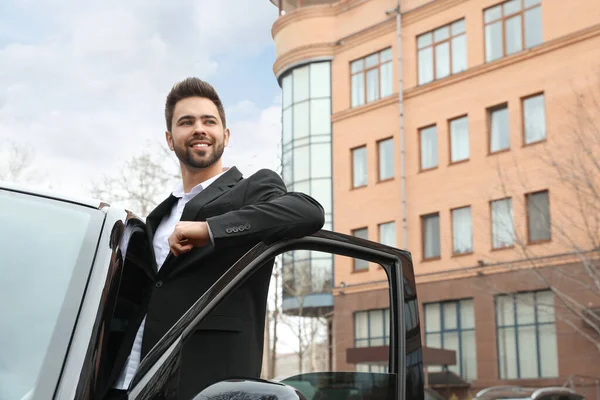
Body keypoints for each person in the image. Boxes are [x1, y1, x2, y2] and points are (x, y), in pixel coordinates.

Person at [105, 77, 325, 399]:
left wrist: (210, 230)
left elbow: (307, 212)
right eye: (186, 122)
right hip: (125, 383)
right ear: (170, 138)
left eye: (209, 121)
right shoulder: (159, 214)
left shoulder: (252, 188)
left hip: (203, 385)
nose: (199, 128)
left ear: (225, 134)